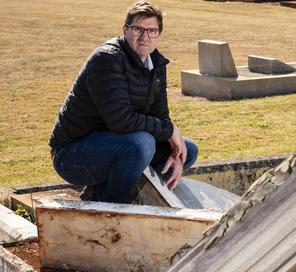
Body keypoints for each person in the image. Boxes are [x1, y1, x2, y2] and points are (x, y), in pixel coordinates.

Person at [49, 1, 198, 203]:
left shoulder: (157, 65)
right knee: (141, 144)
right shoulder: (107, 59)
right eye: (138, 29)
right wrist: (170, 130)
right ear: (125, 30)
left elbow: (160, 116)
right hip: (73, 155)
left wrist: (173, 143)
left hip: (115, 143)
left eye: (152, 30)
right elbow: (122, 121)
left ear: (158, 34)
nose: (145, 36)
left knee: (186, 150)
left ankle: (107, 193)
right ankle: (112, 207)